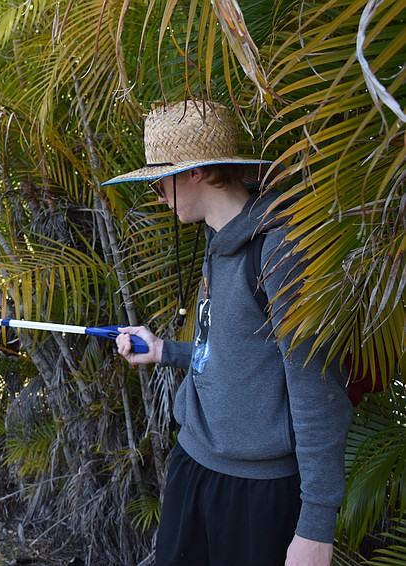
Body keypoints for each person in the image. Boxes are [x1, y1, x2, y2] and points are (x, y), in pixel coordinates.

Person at [105, 100, 353, 566]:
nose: (156, 193)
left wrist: (316, 526)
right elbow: (231, 350)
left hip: (257, 494)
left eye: (161, 178)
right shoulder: (220, 239)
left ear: (196, 173)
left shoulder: (280, 251)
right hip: (194, 465)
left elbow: (317, 388)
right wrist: (164, 351)